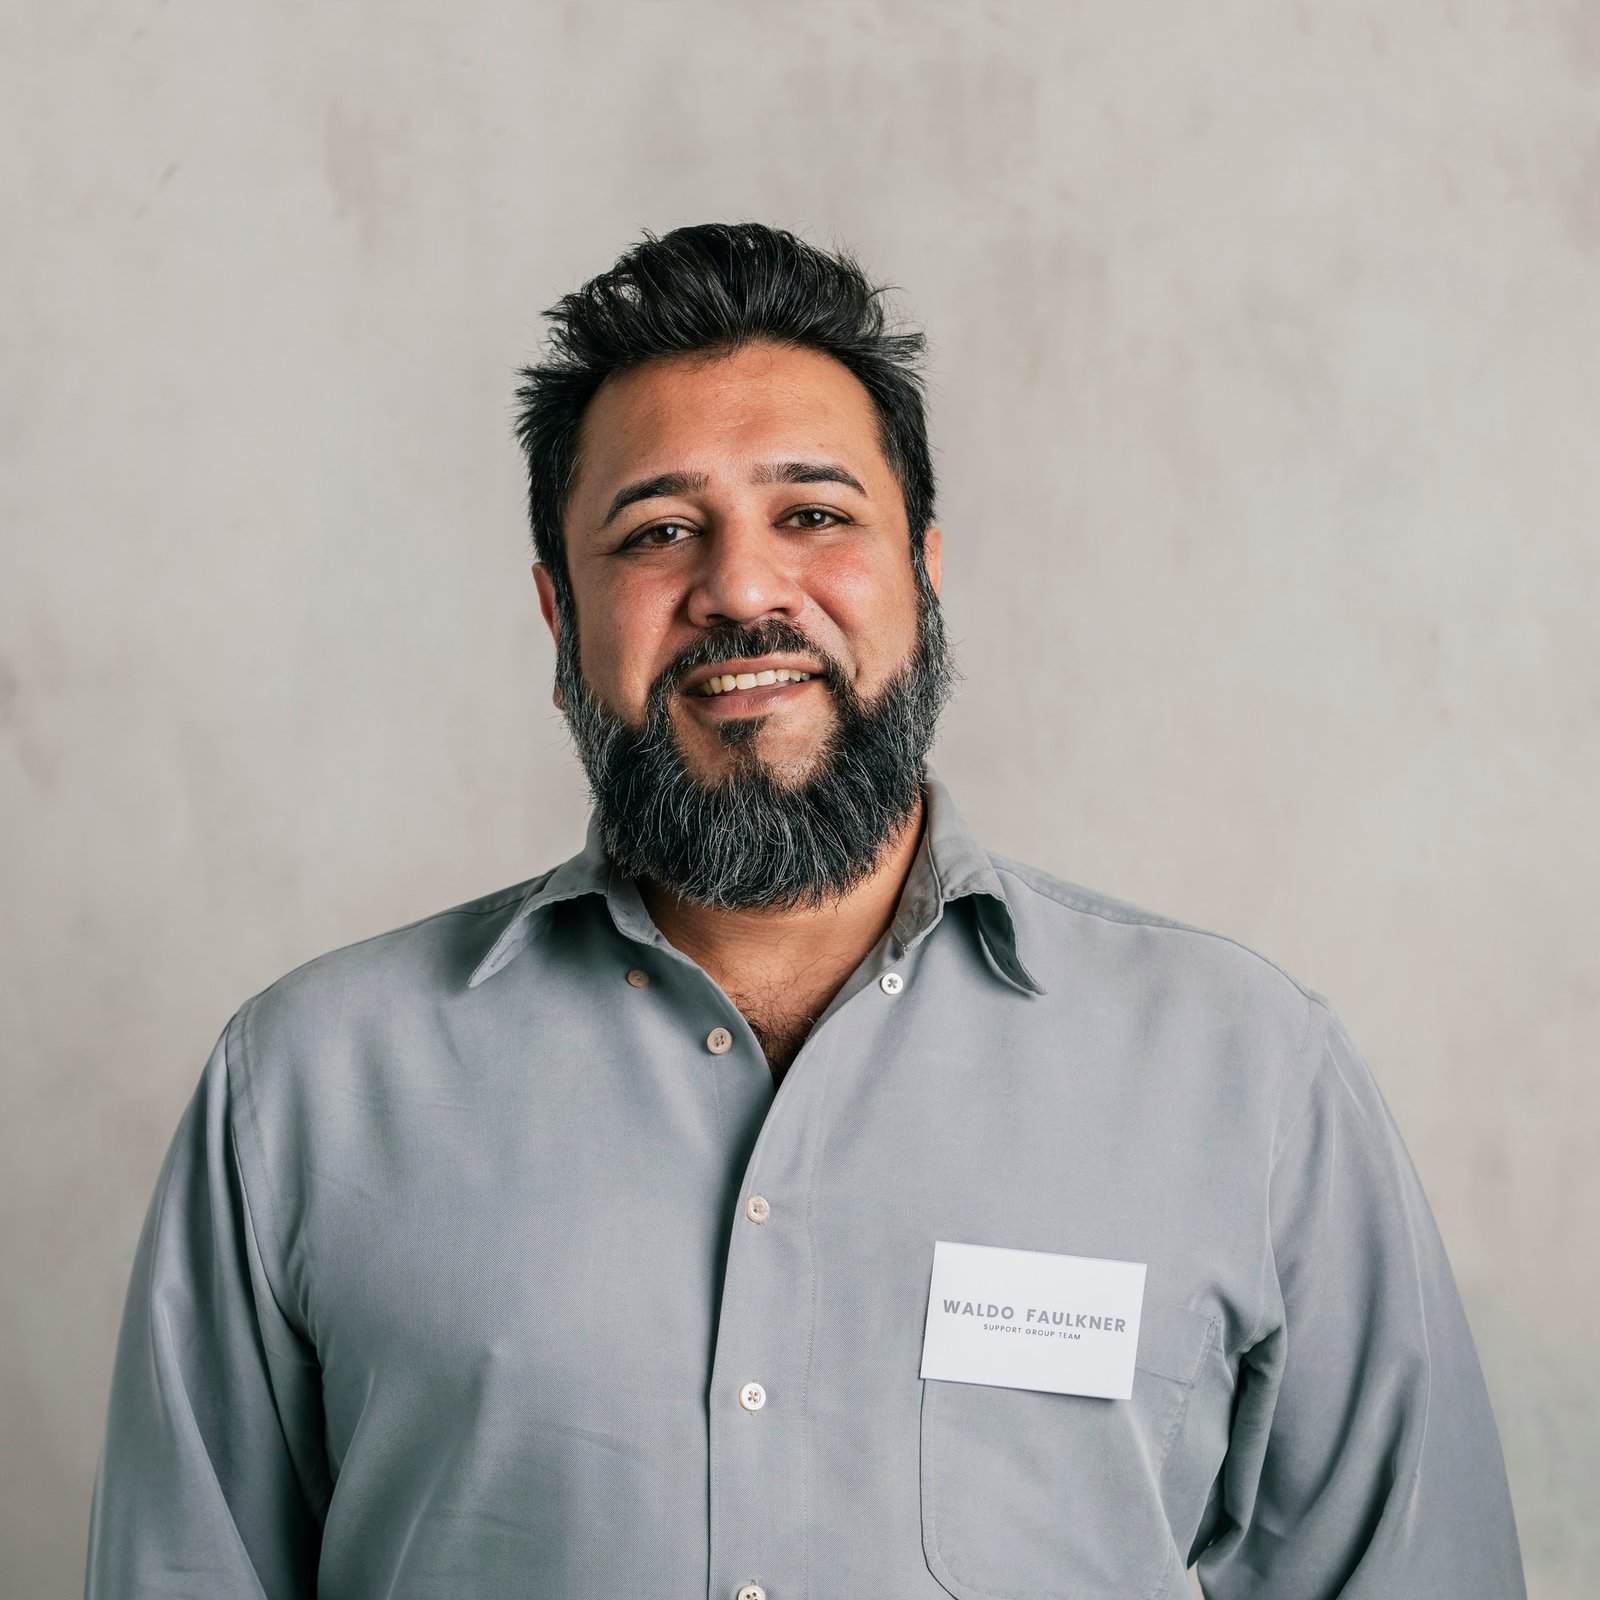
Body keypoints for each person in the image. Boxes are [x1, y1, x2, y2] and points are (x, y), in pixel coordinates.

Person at [85, 222, 1526, 1599]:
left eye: (814, 514)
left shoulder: (1250, 1077)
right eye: (657, 532)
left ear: (925, 572)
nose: (743, 589)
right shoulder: (306, 1092)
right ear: (557, 616)